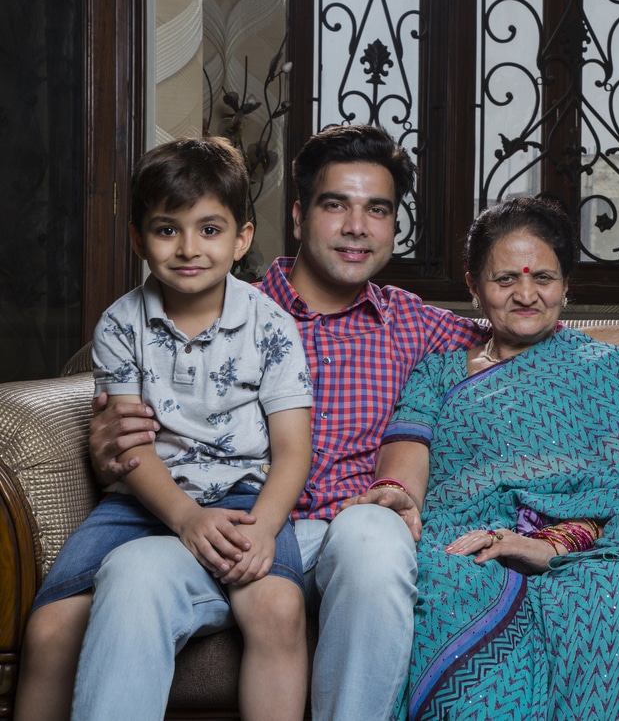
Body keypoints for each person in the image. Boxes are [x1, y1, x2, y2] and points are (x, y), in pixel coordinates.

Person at [71, 125, 487, 719]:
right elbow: (133, 378)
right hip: (221, 522)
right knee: (132, 571)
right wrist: (108, 436)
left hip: (333, 537)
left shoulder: (413, 324)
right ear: (297, 216)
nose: (355, 227)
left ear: (394, 226)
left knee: (375, 535)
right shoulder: (233, 305)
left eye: (377, 210)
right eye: (334, 204)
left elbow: (527, 331)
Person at [16, 137, 313, 721]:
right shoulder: (122, 325)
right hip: (141, 500)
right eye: (166, 229)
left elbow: (293, 449)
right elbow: (131, 447)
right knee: (49, 628)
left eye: (209, 229)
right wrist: (184, 517)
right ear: (138, 238)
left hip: (247, 497)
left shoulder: (271, 326)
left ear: (242, 238)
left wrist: (266, 529)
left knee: (277, 608)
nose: (188, 249)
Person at [384, 196, 619, 720]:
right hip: (465, 539)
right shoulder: (438, 374)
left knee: (607, 594)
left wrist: (551, 545)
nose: (526, 294)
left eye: (543, 277)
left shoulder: (606, 367)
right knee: (454, 582)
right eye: (504, 281)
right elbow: (407, 463)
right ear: (474, 286)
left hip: (586, 545)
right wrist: (397, 495)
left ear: (567, 284)